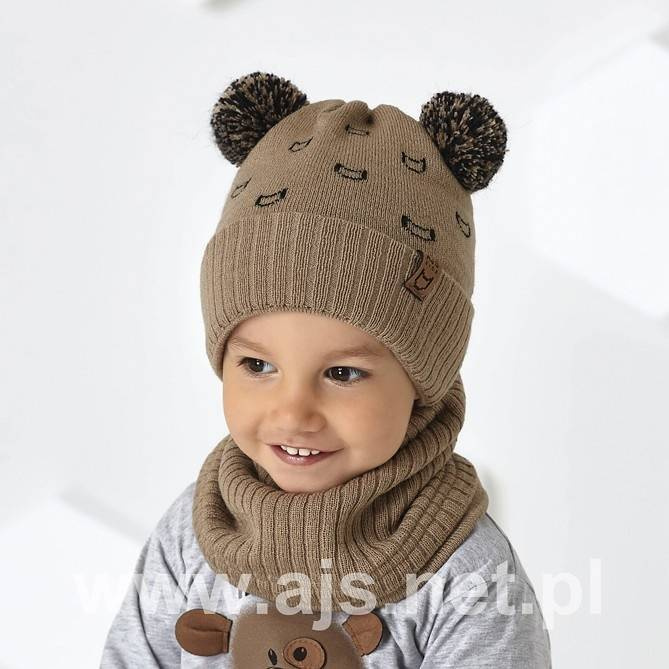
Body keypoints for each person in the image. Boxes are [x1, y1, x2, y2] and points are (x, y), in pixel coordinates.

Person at [100, 71, 552, 667]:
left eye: (342, 374)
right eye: (257, 364)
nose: (293, 413)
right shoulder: (196, 527)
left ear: (424, 379)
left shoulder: (468, 575)